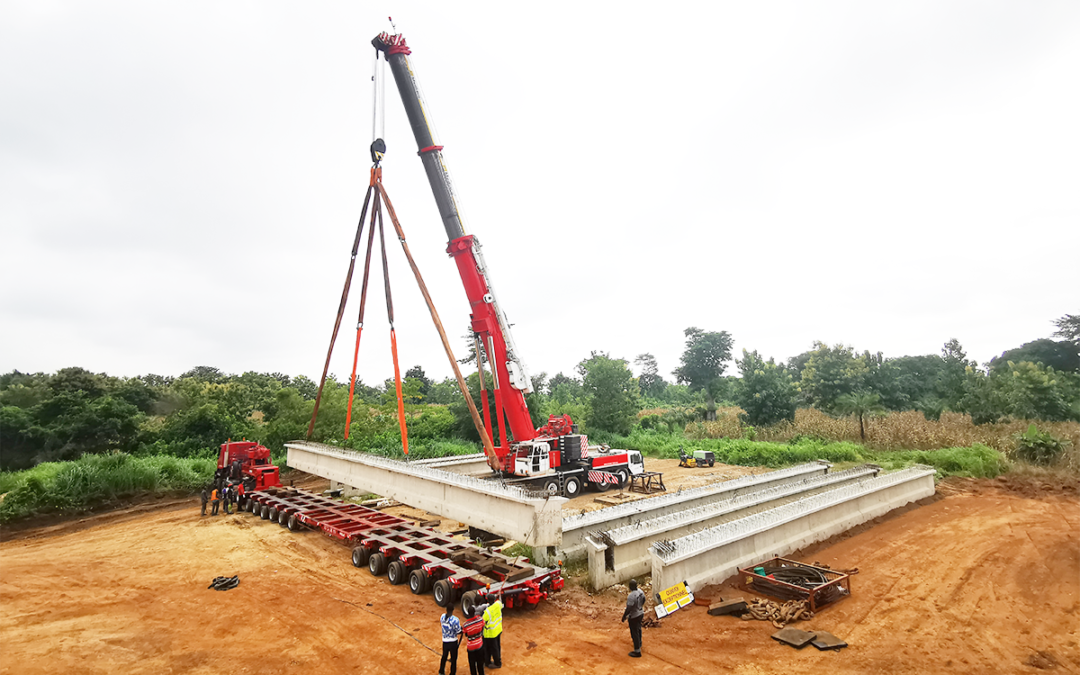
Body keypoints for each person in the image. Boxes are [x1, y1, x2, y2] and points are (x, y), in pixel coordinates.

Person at [621, 578, 646, 658]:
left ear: (630, 587)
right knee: (638, 629)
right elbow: (644, 599)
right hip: (641, 613)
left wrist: (624, 616)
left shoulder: (631, 596)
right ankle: (639, 643)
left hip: (634, 616)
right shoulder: (640, 592)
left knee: (634, 632)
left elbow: (629, 608)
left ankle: (637, 651)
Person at [481, 592, 503, 669]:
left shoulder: (487, 611)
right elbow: (500, 602)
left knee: (490, 648)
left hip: (490, 633)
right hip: (498, 630)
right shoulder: (498, 604)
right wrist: (498, 595)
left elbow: (482, 621)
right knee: (497, 647)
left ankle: (496, 663)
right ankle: (497, 660)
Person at [462, 606, 485, 675]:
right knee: (480, 663)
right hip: (479, 645)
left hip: (471, 647)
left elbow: (466, 634)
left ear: (468, 613)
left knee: (472, 664)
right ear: (474, 612)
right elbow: (482, 627)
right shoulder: (480, 619)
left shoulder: (465, 625)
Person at [439, 602, 462, 675]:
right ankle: (452, 673)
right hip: (453, 642)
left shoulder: (442, 617)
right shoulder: (455, 619)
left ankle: (441, 671)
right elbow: (458, 631)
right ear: (453, 610)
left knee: (444, 656)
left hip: (445, 641)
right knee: (453, 659)